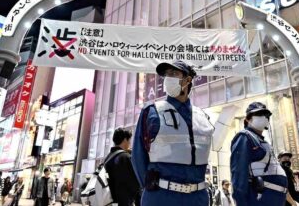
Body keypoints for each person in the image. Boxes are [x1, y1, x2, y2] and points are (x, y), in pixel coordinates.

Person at [132, 60, 215, 206]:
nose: (168, 78)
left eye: (174, 73)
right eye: (166, 75)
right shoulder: (151, 112)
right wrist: (150, 187)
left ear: (188, 80)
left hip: (198, 198)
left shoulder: (203, 116)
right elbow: (138, 156)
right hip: (161, 196)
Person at [231, 102, 288, 206]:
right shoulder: (244, 137)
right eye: (258, 114)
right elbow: (238, 174)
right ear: (248, 119)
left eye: (265, 115)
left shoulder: (263, 142)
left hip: (274, 199)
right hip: (259, 200)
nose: (263, 118)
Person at [105, 128, 140, 206]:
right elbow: (135, 184)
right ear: (125, 140)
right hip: (123, 202)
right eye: (129, 140)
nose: (129, 143)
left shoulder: (108, 158)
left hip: (109, 201)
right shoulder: (126, 157)